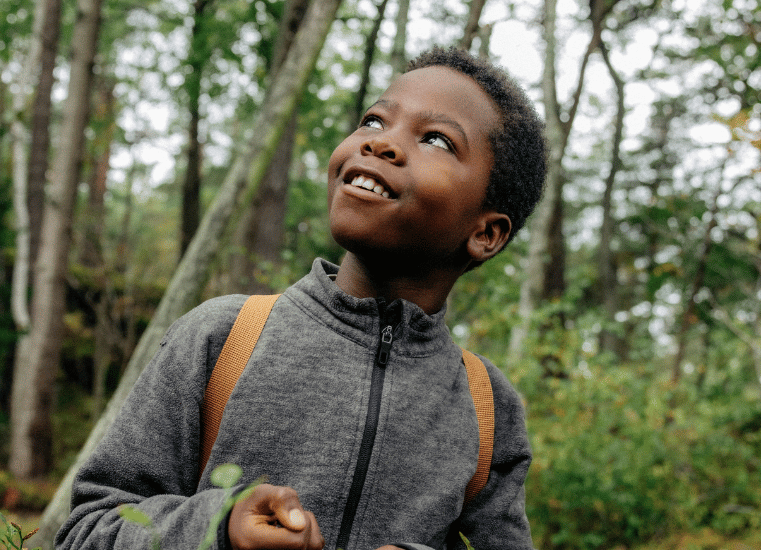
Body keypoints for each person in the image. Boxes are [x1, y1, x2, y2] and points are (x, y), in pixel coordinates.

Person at [55, 45, 546, 550]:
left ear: (486, 234)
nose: (382, 144)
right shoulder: (223, 336)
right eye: (374, 121)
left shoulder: (488, 408)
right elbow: (88, 530)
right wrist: (220, 530)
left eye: (437, 139)